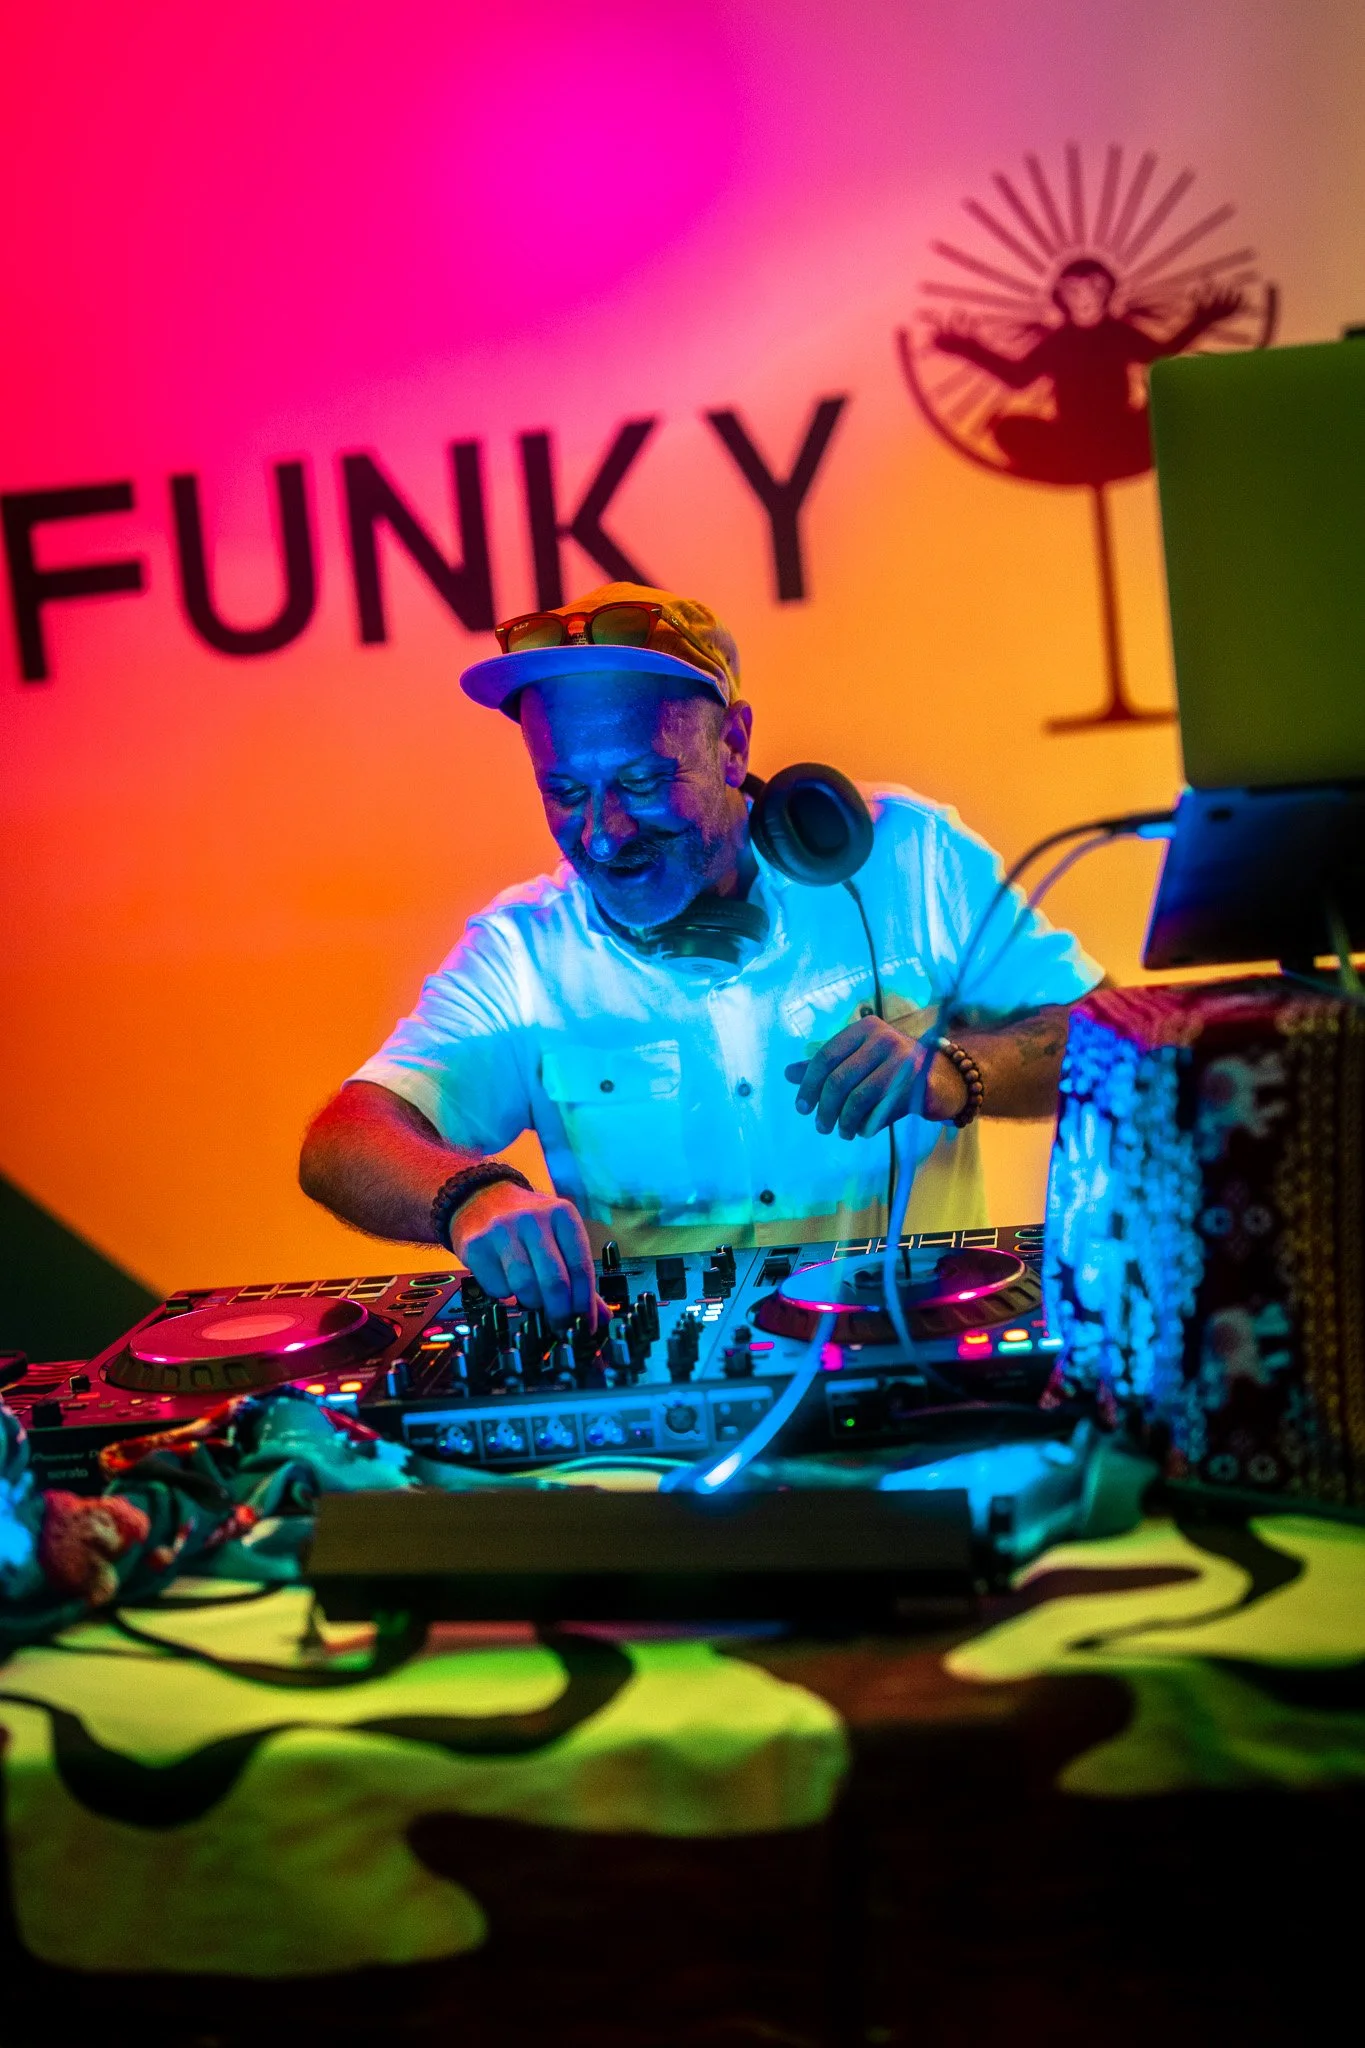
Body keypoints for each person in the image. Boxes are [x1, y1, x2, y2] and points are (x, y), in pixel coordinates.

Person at [299, 582, 1102, 1325]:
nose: (604, 831)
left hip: (920, 1365)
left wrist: (954, 1070)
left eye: (644, 782)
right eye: (565, 793)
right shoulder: (521, 954)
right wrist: (466, 1195)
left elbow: (1109, 1039)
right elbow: (345, 1139)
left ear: (731, 745)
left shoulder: (904, 857)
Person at [935, 258, 1244, 486]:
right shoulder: (1059, 342)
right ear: (1061, 297)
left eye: (1095, 289)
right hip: (1072, 437)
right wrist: (967, 349)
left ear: (1109, 293)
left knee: (1170, 409)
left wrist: (1204, 321)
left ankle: (1088, 463)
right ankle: (1069, 465)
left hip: (1121, 432)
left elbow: (1159, 357)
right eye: (1074, 291)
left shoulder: (1118, 333)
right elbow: (1018, 376)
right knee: (1007, 430)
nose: (1085, 299)